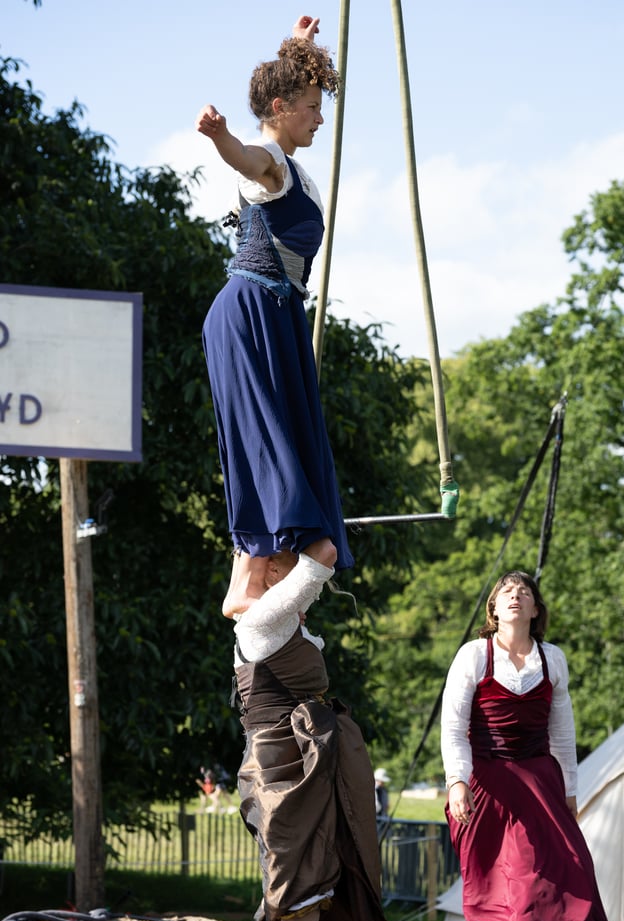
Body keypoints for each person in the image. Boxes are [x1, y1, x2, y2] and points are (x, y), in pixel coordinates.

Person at [228, 549, 427, 921]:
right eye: (284, 561)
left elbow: (273, 577)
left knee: (283, 911)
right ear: (271, 573)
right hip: (287, 779)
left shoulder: (269, 621)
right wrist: (314, 529)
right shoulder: (263, 620)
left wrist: (257, 548)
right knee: (300, 907)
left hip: (288, 773)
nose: (302, 576)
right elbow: (321, 562)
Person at [196, 15, 353, 620]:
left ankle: (254, 574)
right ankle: (253, 573)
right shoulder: (270, 160)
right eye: (312, 108)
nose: (320, 119)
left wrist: (300, 50)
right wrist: (220, 138)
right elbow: (246, 156)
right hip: (253, 310)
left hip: (274, 312)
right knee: (268, 440)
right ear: (283, 109)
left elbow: (277, 95)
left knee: (276, 437)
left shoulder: (289, 161)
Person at [441, 569, 624, 921]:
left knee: (536, 880)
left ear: (535, 609)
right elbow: (453, 725)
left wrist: (569, 790)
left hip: (537, 782)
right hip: (484, 782)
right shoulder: (474, 655)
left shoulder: (553, 658)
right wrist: (456, 781)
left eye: (524, 591)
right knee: (485, 883)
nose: (515, 596)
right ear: (493, 607)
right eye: (506, 591)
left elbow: (563, 732)